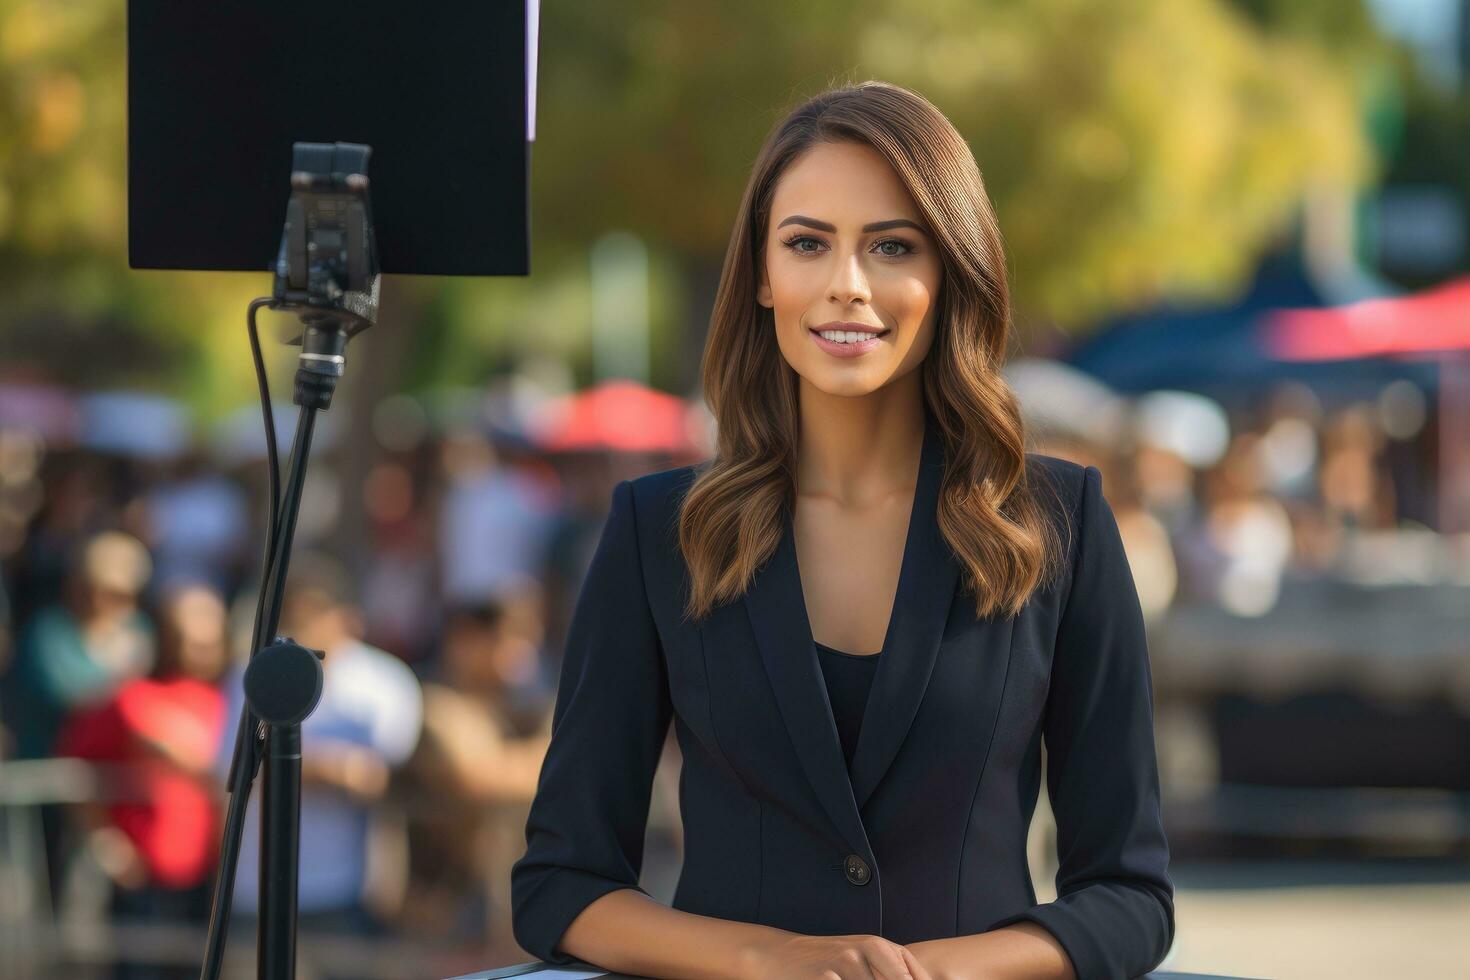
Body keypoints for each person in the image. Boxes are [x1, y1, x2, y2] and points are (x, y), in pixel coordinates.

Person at [510, 80, 1174, 980]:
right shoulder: (655, 532)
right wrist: (765, 957)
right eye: (808, 244)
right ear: (761, 276)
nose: (846, 285)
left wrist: (937, 973)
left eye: (893, 246)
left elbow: (1131, 897)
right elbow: (561, 882)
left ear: (950, 273)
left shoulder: (1061, 526)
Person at [217, 551, 423, 959]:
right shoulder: (254, 672)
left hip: (344, 889)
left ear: (347, 615)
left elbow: (376, 777)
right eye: (296, 612)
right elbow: (231, 764)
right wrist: (331, 767)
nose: (304, 624)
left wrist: (299, 765)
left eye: (315, 611)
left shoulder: (384, 681)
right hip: (255, 887)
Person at [55, 582, 231, 980]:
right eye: (189, 638)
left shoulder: (230, 698)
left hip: (209, 883)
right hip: (144, 885)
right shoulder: (133, 697)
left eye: (210, 639)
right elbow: (75, 766)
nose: (201, 649)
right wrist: (104, 841)